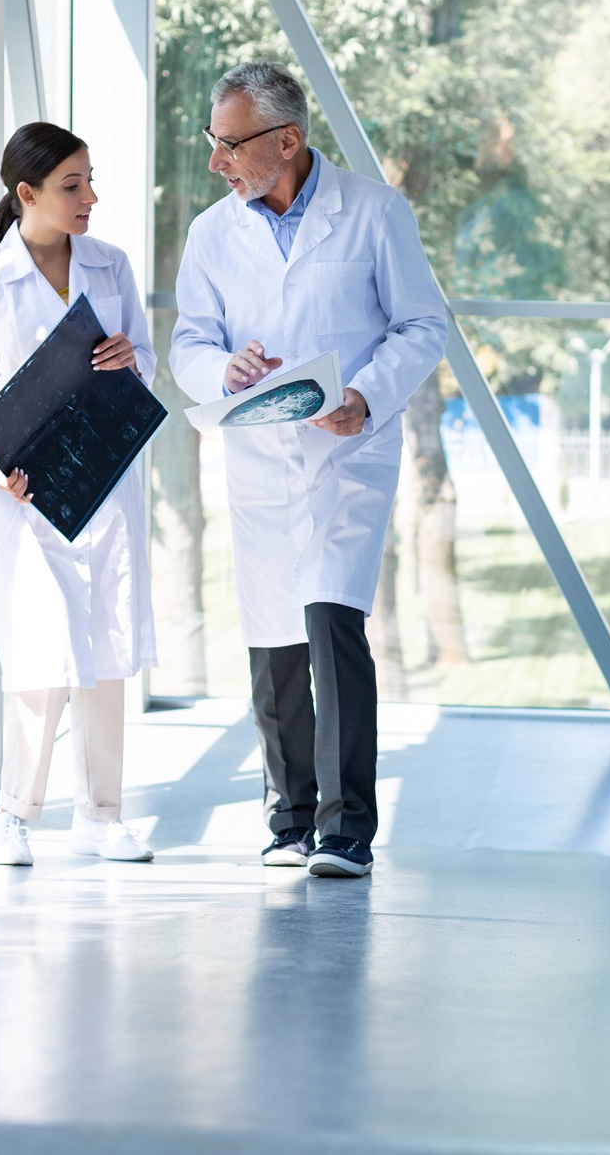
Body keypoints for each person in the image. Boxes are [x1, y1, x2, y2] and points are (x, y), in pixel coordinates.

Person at [170, 62, 448, 879]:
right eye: (214, 142)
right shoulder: (212, 234)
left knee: (331, 619)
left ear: (286, 140)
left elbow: (423, 324)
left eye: (230, 145)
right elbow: (190, 341)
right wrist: (223, 370)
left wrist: (366, 396)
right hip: (260, 454)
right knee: (273, 636)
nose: (216, 162)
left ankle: (346, 827)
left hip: (347, 451)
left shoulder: (373, 212)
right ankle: (289, 818)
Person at [0, 121, 158, 867]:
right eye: (73, 185)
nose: (90, 197)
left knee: (105, 649)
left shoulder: (111, 265)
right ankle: (14, 815)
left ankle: (102, 816)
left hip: (103, 479)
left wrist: (133, 356)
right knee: (39, 653)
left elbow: (144, 359)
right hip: (27, 496)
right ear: (26, 193)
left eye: (91, 181)